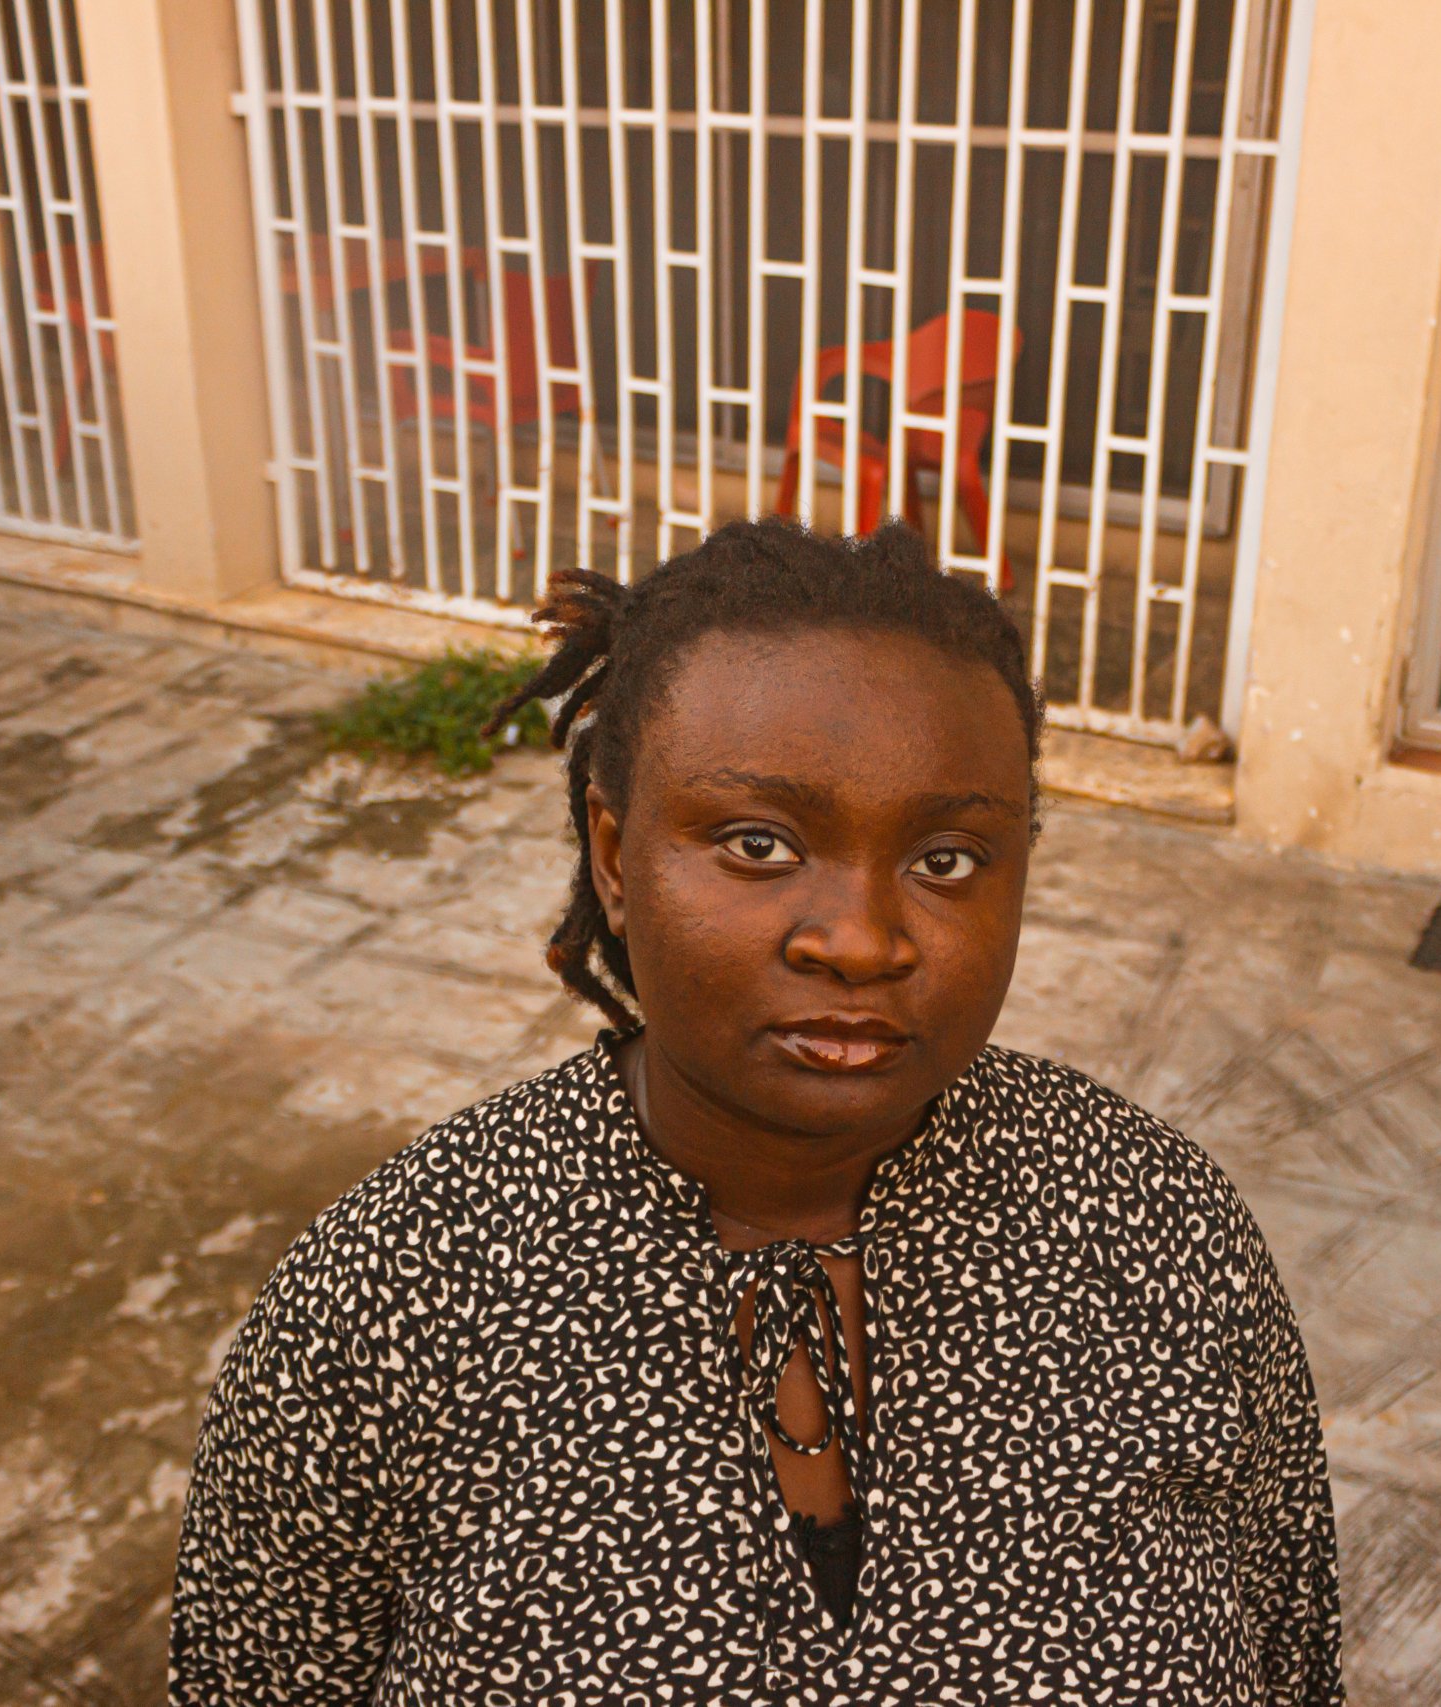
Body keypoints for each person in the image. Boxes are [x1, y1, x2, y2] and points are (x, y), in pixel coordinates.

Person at [169, 520, 1343, 1704]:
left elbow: (1294, 1657)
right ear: (617, 856)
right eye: (757, 842)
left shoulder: (1155, 1228)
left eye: (946, 859)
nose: (862, 941)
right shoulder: (392, 1289)